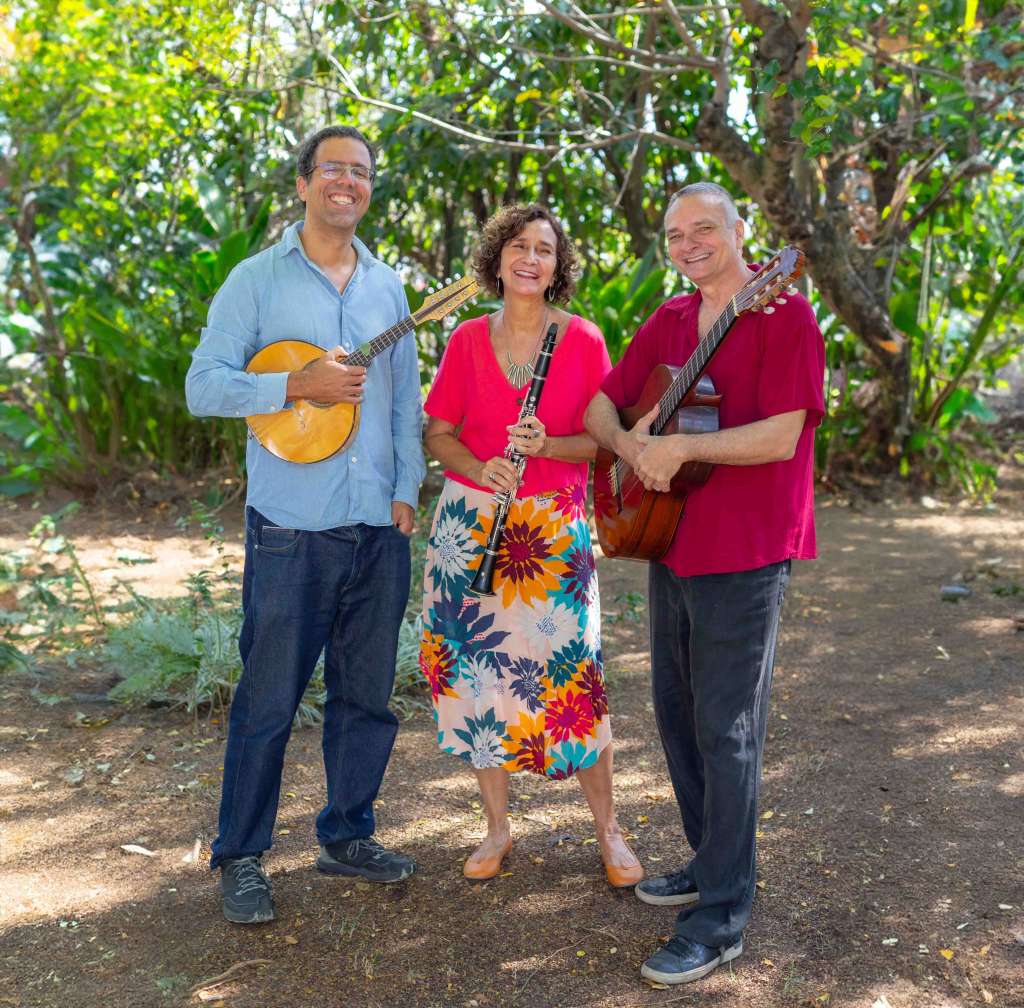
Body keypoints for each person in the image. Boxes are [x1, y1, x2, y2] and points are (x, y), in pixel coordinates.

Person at [585, 182, 825, 984]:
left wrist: (685, 451)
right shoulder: (671, 321)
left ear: (738, 231)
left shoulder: (782, 315)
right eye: (674, 234)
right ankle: (707, 858)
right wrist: (633, 441)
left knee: (728, 729)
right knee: (679, 715)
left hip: (749, 548)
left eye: (703, 229)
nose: (688, 243)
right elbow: (599, 406)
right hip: (672, 545)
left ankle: (721, 915)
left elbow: (783, 435)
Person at [185, 125, 425, 925]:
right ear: (303, 184)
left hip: (376, 527)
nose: (346, 183)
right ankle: (242, 856)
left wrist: (406, 486)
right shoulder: (255, 281)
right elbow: (204, 387)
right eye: (332, 170)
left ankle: (348, 834)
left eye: (360, 172)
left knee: (367, 696)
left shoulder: (389, 288)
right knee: (268, 699)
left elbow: (402, 403)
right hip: (290, 529)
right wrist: (297, 384)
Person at [419, 203, 643, 888]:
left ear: (557, 267)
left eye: (545, 249)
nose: (530, 258)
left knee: (572, 677)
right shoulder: (463, 341)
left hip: (550, 528)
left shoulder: (583, 340)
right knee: (476, 676)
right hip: (473, 524)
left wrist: (549, 444)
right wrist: (474, 466)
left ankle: (609, 828)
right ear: (498, 256)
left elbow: (604, 441)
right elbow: (438, 433)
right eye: (519, 245)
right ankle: (496, 827)